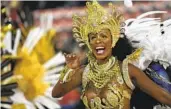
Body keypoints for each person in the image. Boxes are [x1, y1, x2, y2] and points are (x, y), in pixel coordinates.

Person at [52, 1, 171, 109]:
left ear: (112, 42)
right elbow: (56, 93)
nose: (98, 41)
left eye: (103, 36)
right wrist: (68, 70)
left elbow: (163, 96)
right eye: (93, 38)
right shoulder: (84, 72)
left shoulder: (128, 70)